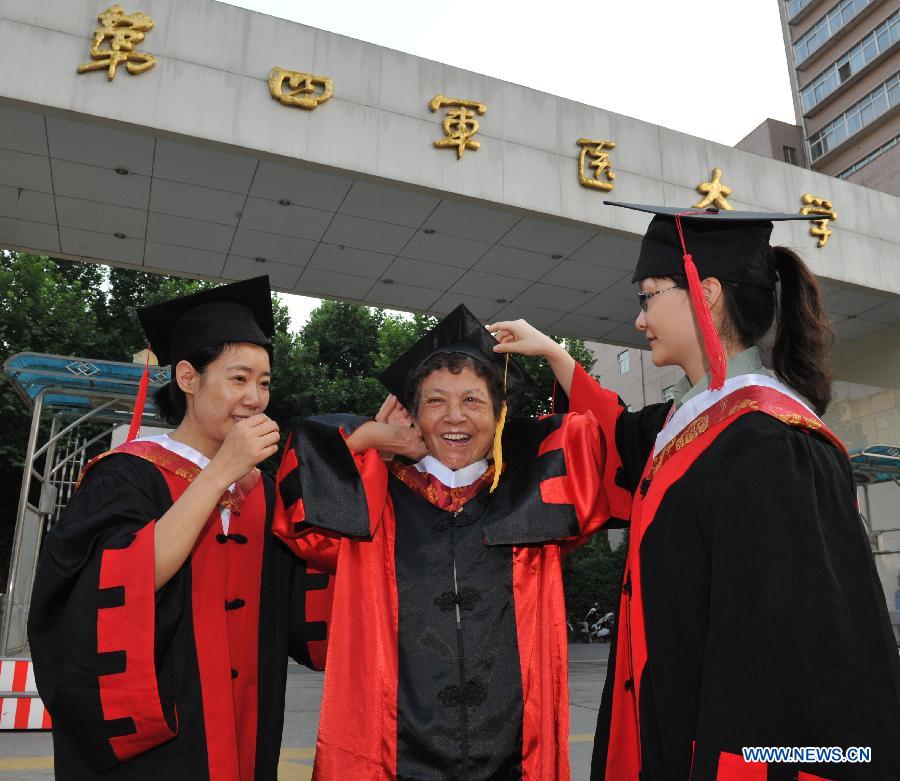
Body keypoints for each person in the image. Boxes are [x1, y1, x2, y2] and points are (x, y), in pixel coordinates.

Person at [490, 204, 900, 781]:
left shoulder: (770, 443)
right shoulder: (691, 424)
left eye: (648, 296)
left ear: (703, 293)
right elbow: (618, 436)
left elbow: (792, 660)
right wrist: (555, 355)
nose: (639, 320)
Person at [273, 304, 617, 780]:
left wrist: (554, 352)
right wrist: (376, 435)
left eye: (474, 401)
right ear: (412, 415)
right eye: (435, 401)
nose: (455, 417)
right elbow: (299, 495)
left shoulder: (532, 498)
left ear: (499, 415)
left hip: (513, 753)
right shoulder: (373, 503)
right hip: (391, 754)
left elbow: (600, 442)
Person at [28, 276, 332, 780]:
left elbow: (307, 610)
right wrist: (218, 474)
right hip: (164, 737)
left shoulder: (264, 491)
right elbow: (109, 591)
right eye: (238, 379)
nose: (255, 397)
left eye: (264, 381)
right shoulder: (125, 475)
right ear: (188, 378)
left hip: (249, 729)